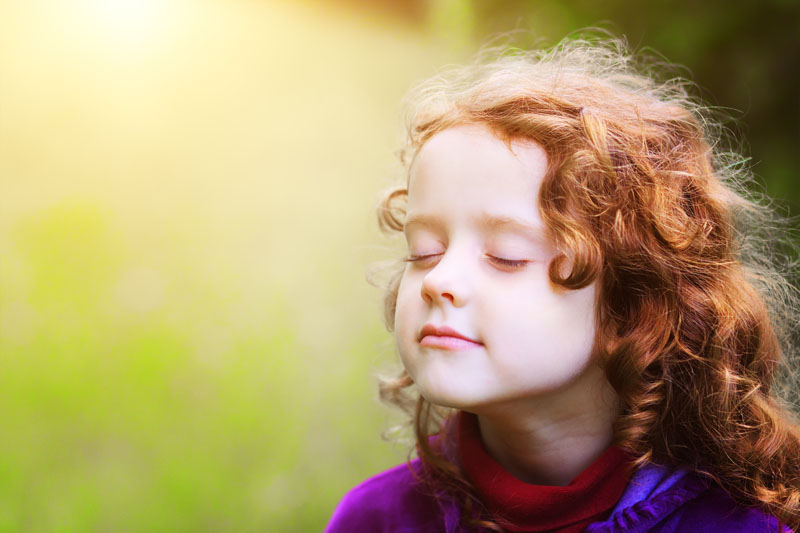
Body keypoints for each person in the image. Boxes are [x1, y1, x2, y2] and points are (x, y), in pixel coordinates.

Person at [327, 35, 800, 532]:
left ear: (636, 302)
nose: (439, 280)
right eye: (425, 251)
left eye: (506, 257)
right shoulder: (375, 520)